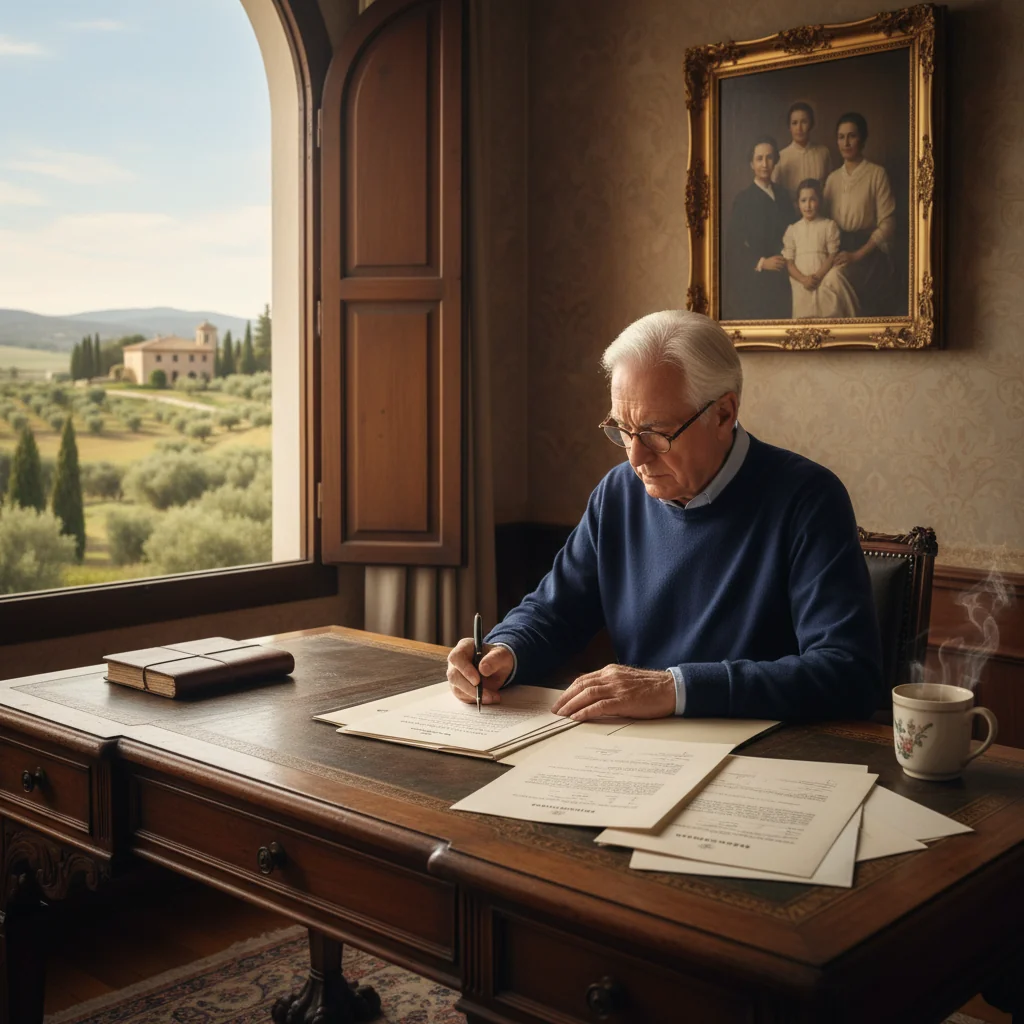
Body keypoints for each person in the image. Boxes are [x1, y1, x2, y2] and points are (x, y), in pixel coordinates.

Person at [446, 311, 882, 723]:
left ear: (724, 413)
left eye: (655, 432)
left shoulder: (808, 499)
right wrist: (506, 648)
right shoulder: (618, 493)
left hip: (767, 757)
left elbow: (847, 672)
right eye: (622, 429)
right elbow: (553, 611)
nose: (635, 457)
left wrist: (675, 688)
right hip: (639, 753)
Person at [823, 112, 898, 316]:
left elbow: (888, 223)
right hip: (838, 249)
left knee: (833, 280)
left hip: (867, 253)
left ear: (862, 139)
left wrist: (857, 255)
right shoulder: (832, 179)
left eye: (852, 136)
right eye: (841, 137)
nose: (846, 143)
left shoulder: (876, 174)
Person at [723, 136, 797, 320]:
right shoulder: (744, 199)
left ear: (775, 161)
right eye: (759, 158)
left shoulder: (783, 195)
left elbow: (796, 232)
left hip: (788, 271)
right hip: (759, 279)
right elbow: (734, 245)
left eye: (769, 157)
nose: (765, 164)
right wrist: (762, 262)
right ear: (751, 163)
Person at [782, 178, 859, 318]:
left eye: (813, 199)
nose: (808, 205)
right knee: (803, 313)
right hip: (800, 279)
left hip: (823, 275)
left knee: (829, 305)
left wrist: (817, 277)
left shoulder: (828, 226)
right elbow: (789, 262)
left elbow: (831, 256)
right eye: (803, 200)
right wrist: (804, 279)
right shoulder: (793, 230)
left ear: (820, 201)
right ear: (797, 204)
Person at [772, 102, 832, 201]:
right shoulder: (781, 157)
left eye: (804, 122)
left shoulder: (823, 153)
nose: (799, 128)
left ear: (811, 124)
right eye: (794, 123)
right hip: (790, 214)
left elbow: (829, 190)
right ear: (789, 127)